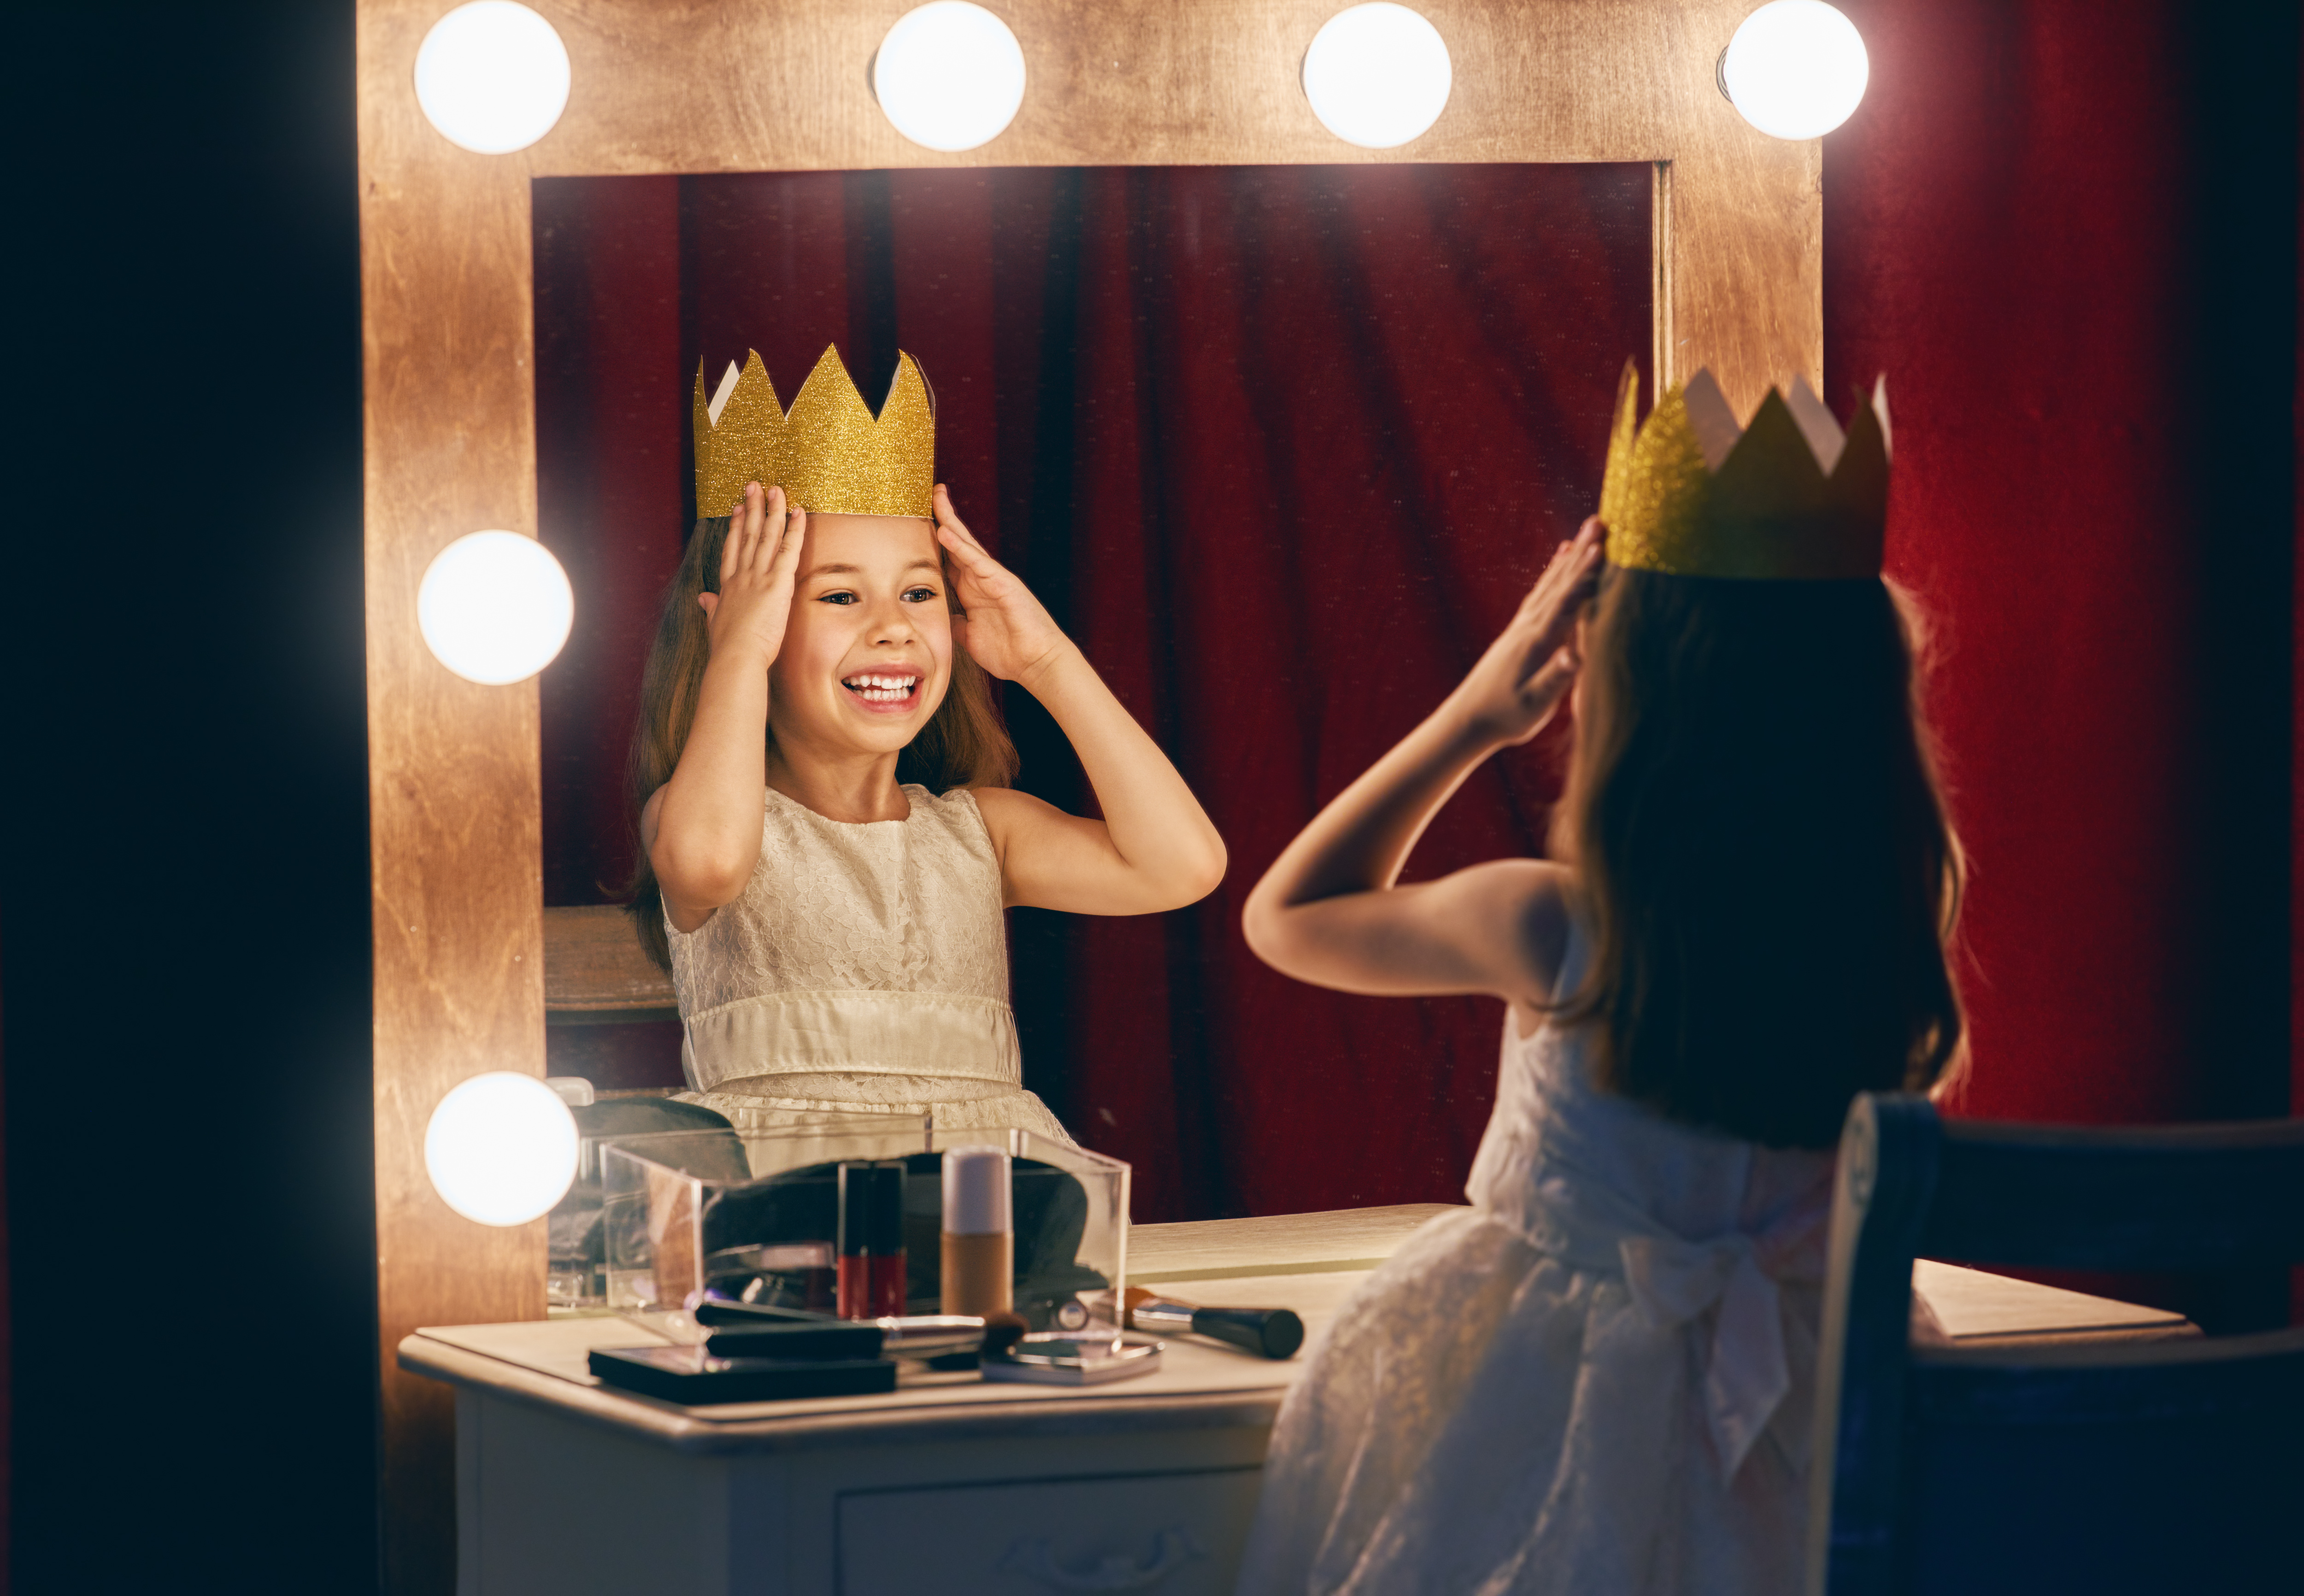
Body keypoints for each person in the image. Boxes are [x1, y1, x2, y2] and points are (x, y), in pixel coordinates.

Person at [1233, 368, 1964, 1594]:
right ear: (1866, 704)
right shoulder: (1889, 931)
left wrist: (1474, 718)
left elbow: (1287, 917)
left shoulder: (1554, 925)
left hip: (1552, 1420)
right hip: (1825, 1413)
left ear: (1631, 694)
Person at [629, 345, 1224, 1140]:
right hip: (791, 1212)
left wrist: (1048, 662)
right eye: (840, 594)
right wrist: (737, 651)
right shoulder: (705, 821)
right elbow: (707, 861)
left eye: (919, 592)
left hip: (986, 1207)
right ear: (742, 624)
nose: (893, 627)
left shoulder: (982, 832)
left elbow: (1182, 865)